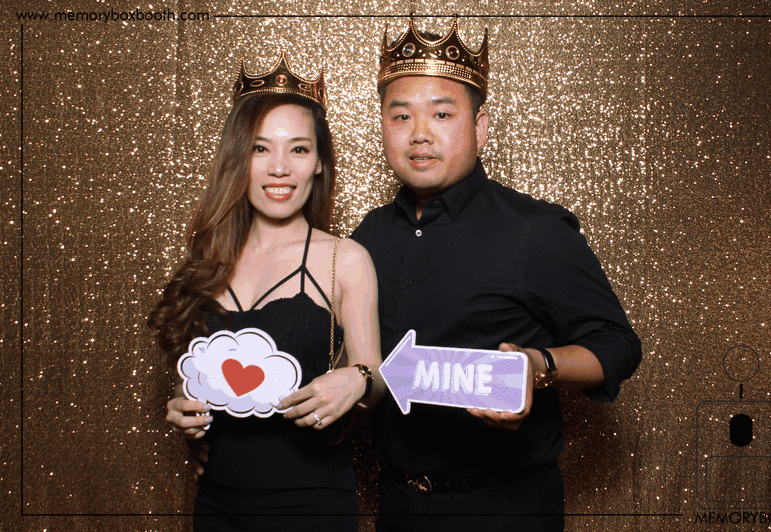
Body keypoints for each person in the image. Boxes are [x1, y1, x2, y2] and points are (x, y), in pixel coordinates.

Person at [348, 16, 643, 532]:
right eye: (401, 117)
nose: (420, 134)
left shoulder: (536, 231)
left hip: (505, 507)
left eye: (442, 114)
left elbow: (618, 345)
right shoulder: (367, 237)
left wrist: (538, 364)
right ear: (383, 126)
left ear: (480, 127)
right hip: (397, 502)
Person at [148, 52, 384, 531]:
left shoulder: (345, 259)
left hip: (312, 506)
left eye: (298, 149)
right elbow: (197, 375)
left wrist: (358, 379)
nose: (280, 168)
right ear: (238, 160)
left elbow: (375, 375)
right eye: (261, 149)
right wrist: (184, 406)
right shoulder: (206, 259)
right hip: (216, 504)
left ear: (319, 164)